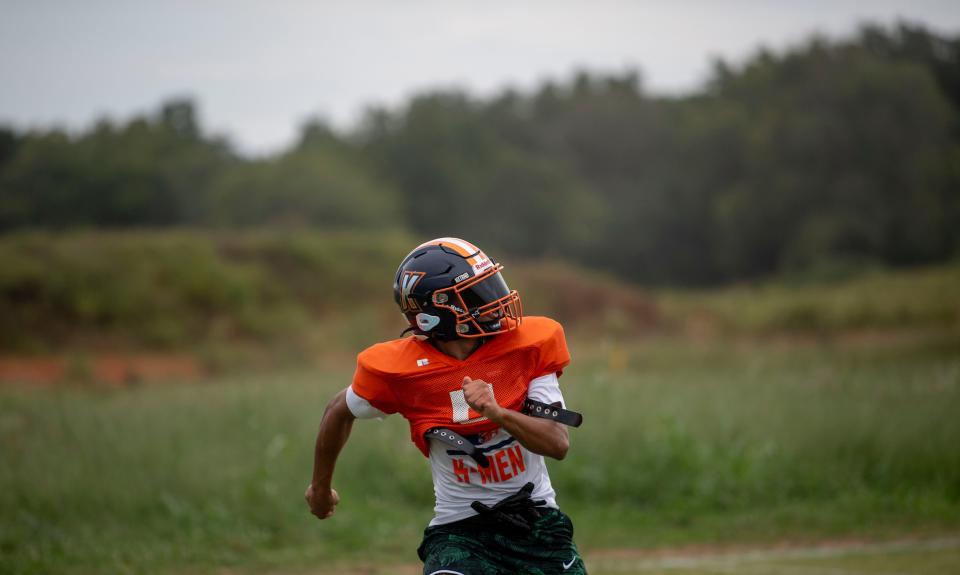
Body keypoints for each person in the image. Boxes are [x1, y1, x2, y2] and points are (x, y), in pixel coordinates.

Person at [305, 237, 586, 575]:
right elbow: (338, 410)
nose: (495, 302)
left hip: (537, 521)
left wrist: (497, 413)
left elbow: (557, 444)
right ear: (433, 314)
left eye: (490, 287)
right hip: (460, 530)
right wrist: (320, 488)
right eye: (475, 295)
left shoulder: (526, 347)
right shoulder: (401, 371)